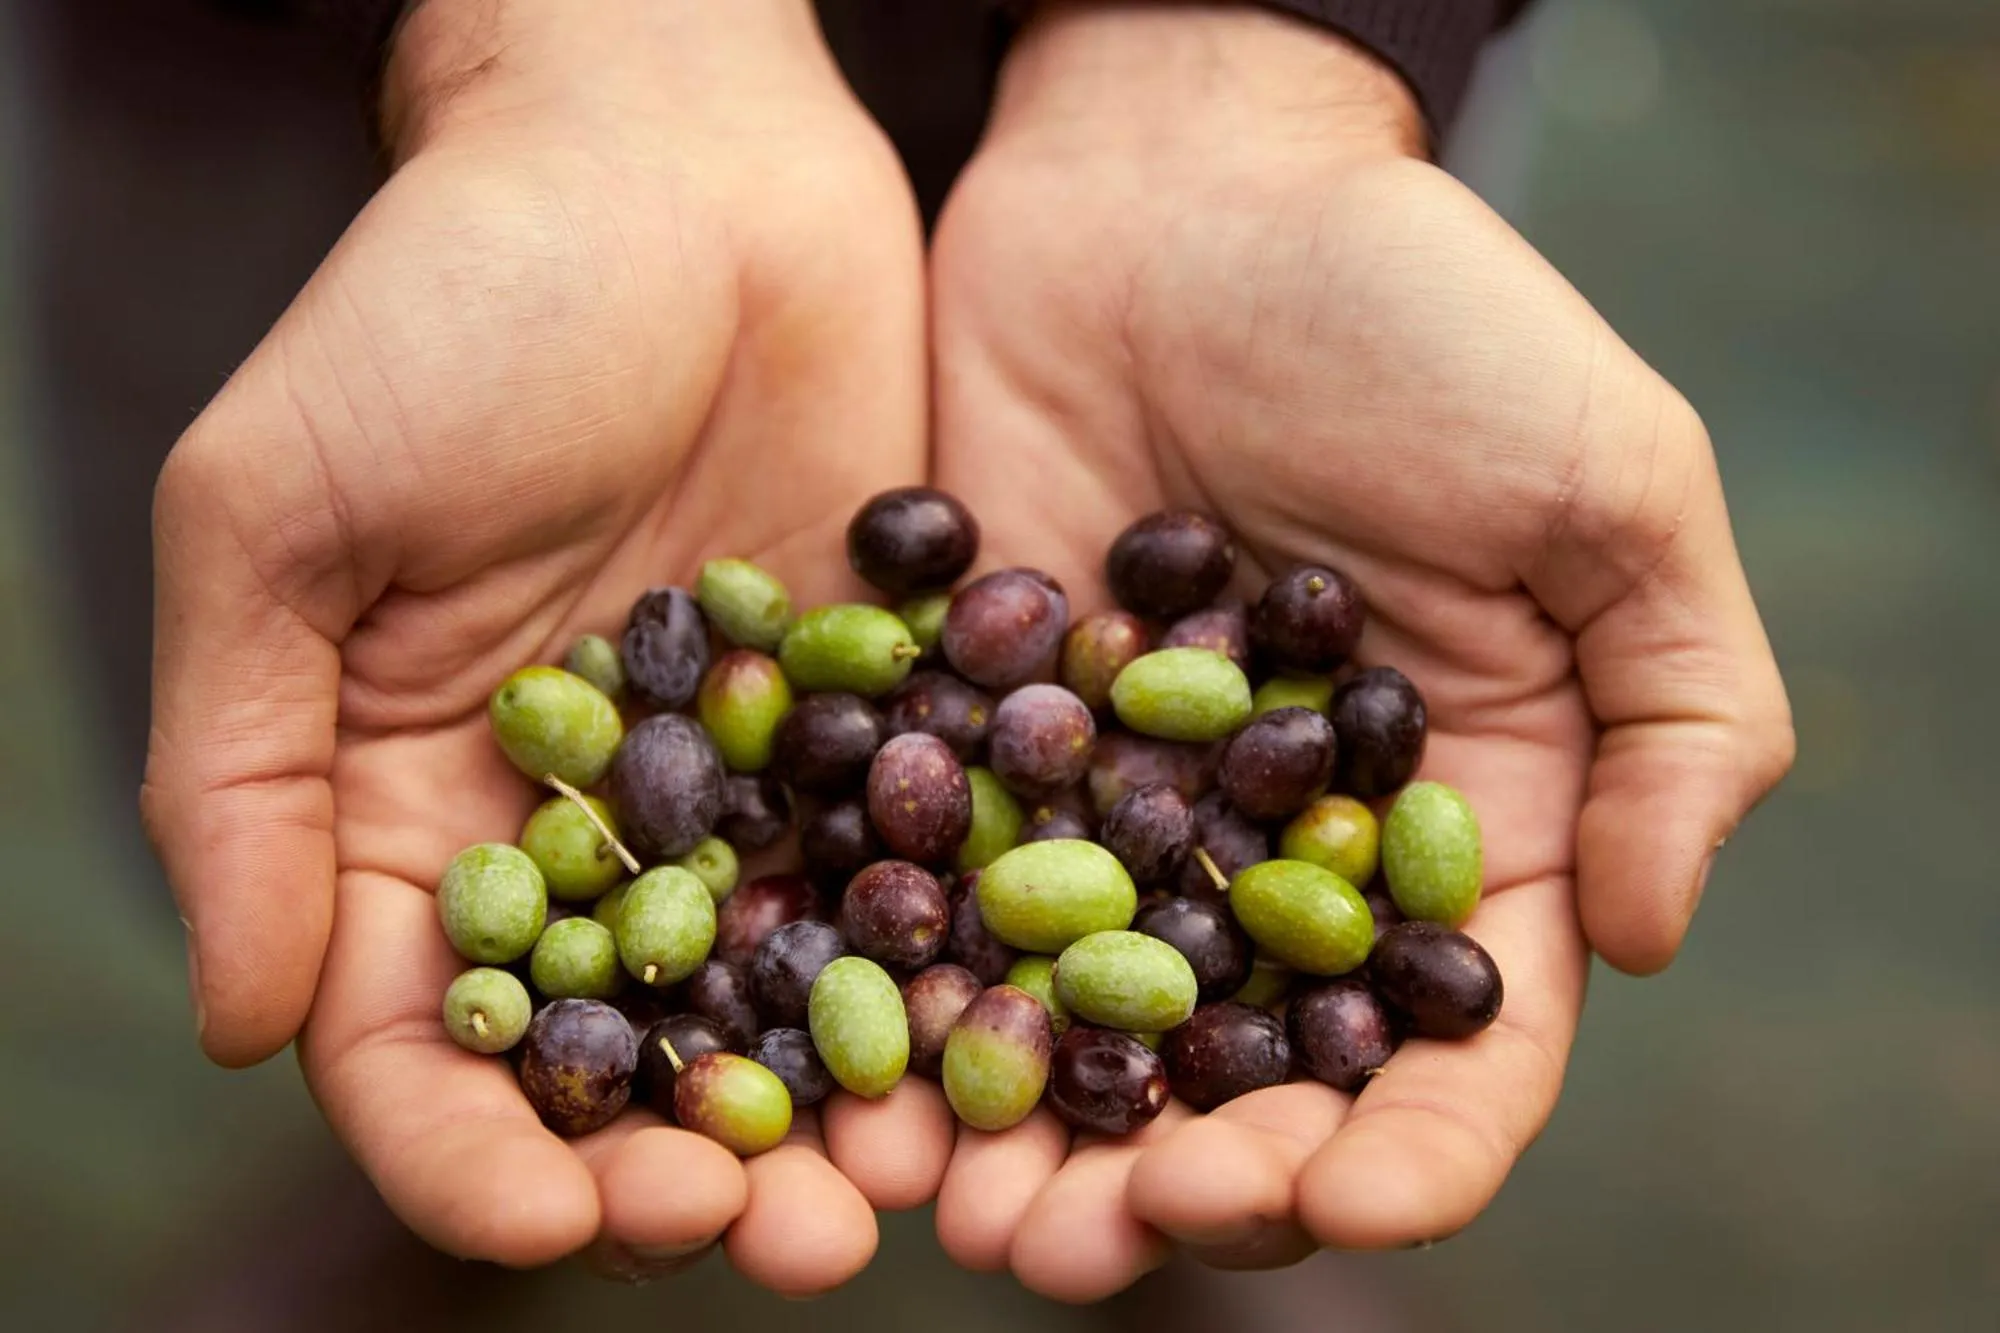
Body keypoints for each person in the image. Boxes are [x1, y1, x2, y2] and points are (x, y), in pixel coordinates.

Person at [140, 0, 1794, 1302]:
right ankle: (443, 1227)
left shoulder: (1126, 781)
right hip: (301, 82)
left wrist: (1252, 68)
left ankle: (1171, 1259)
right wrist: (549, 50)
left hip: (1305, 63)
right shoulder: (810, 782)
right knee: (317, 761)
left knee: (1178, 1169)